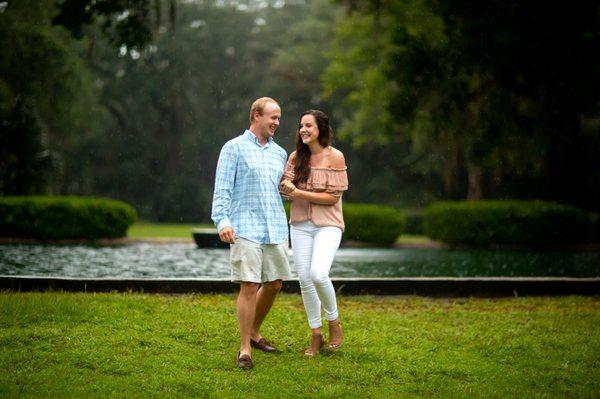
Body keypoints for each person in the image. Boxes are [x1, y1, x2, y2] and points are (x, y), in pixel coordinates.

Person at [211, 97, 291, 369]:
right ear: (256, 115)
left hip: (276, 228)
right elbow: (222, 189)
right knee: (249, 284)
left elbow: (281, 191)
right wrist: (223, 221)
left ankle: (255, 332)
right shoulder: (233, 148)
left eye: (279, 118)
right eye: (273, 117)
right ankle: (245, 348)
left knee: (275, 283)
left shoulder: (280, 153)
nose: (277, 123)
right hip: (245, 227)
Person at [279, 109, 348, 357]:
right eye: (301, 126)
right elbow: (285, 187)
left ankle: (334, 322)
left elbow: (332, 198)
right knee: (305, 280)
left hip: (328, 225)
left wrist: (298, 193)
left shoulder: (335, 157)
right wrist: (286, 187)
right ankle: (316, 333)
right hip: (299, 225)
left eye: (308, 125)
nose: (303, 130)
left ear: (321, 129)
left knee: (318, 274)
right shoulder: (296, 157)